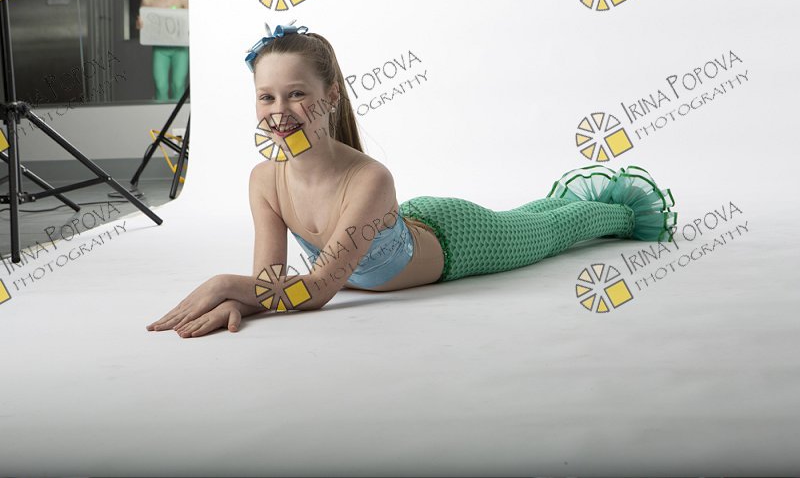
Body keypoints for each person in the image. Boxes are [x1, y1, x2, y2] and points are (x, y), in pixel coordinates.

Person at [146, 22, 678, 338]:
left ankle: (621, 209)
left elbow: (321, 289)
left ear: (331, 97)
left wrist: (225, 285)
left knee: (554, 228)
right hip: (407, 223)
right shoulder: (264, 180)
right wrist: (243, 303)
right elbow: (274, 281)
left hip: (462, 240)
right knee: (536, 213)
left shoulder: (368, 177)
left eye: (297, 93)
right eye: (266, 97)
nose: (279, 110)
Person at [136, 0, 189, 101]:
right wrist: (139, 24)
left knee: (178, 84)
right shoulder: (147, 0)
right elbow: (142, 26)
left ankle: (178, 113)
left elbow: (191, 24)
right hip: (160, 49)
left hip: (180, 49)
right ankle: (161, 113)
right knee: (160, 85)